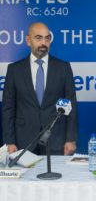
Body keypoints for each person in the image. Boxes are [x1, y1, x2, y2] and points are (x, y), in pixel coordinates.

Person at [2, 22, 77, 155]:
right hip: (23, 142)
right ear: (28, 40)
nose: (44, 42)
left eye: (47, 38)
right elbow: (8, 108)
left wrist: (70, 139)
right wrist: (10, 141)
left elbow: (71, 106)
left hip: (56, 140)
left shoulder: (63, 68)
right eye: (38, 38)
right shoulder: (14, 70)